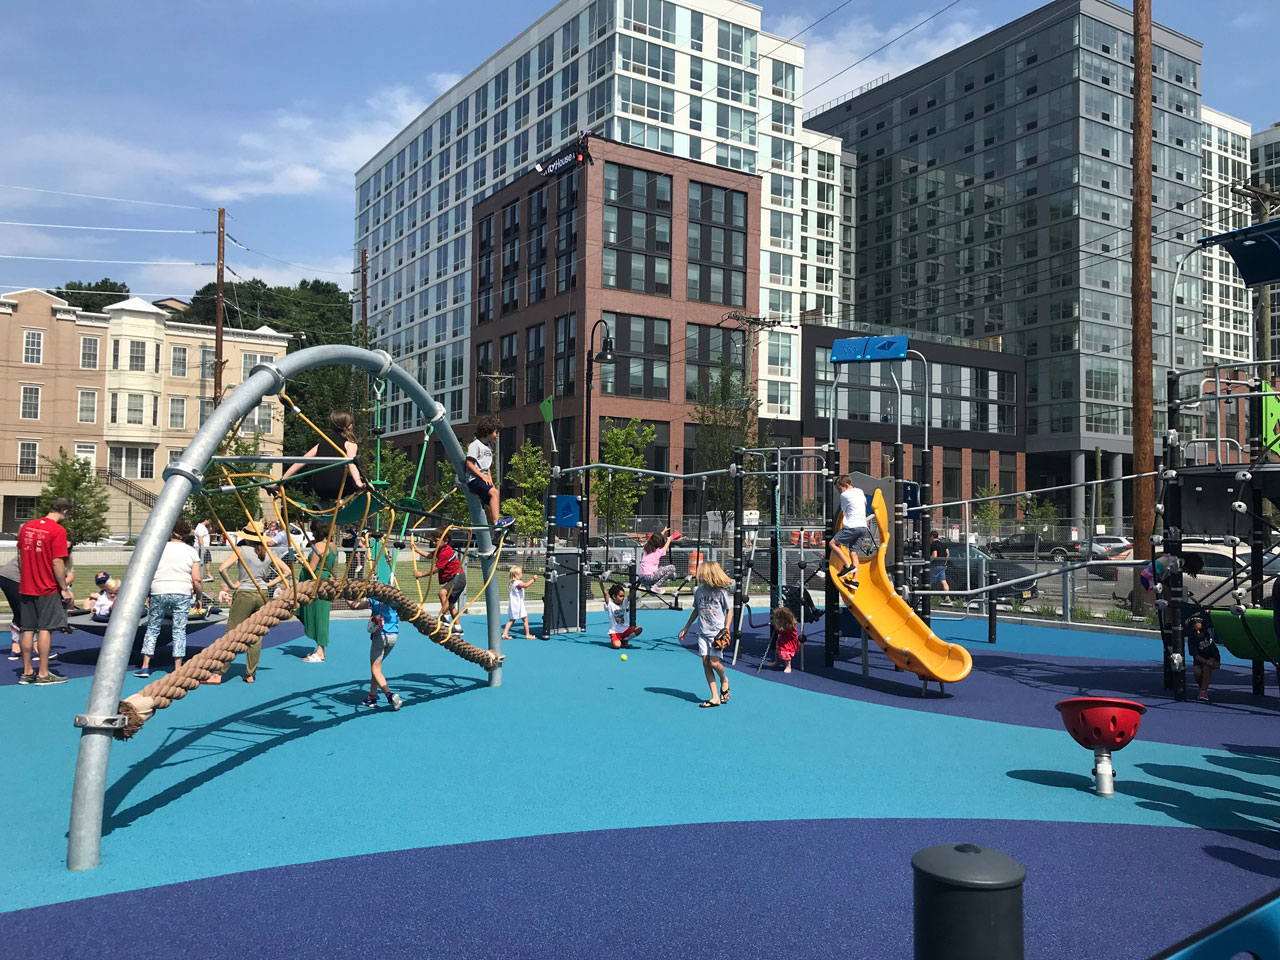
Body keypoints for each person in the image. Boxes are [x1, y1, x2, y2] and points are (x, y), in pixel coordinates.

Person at [206, 522, 286, 684]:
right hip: (261, 593)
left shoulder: (241, 550)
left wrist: (232, 585)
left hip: (245, 593)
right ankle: (250, 674)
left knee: (232, 633)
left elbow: (222, 569)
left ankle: (219, 673)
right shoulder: (268, 552)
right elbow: (287, 571)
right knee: (256, 634)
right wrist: (268, 584)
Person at [134, 520, 202, 679]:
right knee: (179, 630)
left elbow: (148, 573)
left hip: (159, 589)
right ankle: (177, 667)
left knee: (152, 628)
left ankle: (145, 666)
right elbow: (197, 579)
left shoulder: (157, 549)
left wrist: (148, 594)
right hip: (182, 591)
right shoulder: (191, 552)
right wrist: (198, 596)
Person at [16, 497, 74, 685]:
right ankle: (43, 673)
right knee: (45, 629)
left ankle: (26, 672)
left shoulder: (27, 527)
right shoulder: (57, 530)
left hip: (27, 586)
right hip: (46, 587)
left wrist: (26, 575)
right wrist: (63, 588)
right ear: (64, 512)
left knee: (26, 629)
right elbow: (57, 561)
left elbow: (19, 555)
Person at [277, 411, 366, 505]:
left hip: (318, 489)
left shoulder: (321, 444)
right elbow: (352, 463)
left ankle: (323, 502)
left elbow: (300, 462)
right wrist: (358, 482)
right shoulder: (350, 443)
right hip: (335, 489)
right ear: (350, 426)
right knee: (367, 479)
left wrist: (280, 482)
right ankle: (342, 501)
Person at [677, 561, 733, 708]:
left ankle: (724, 679)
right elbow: (696, 610)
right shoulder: (699, 592)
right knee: (705, 662)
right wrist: (686, 627)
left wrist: (726, 628)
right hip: (702, 632)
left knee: (714, 662)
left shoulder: (720, 592)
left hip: (717, 633)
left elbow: (729, 611)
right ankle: (715, 696)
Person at [355, 562, 403, 710]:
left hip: (380, 636)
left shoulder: (374, 600)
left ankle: (390, 695)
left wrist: (347, 597)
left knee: (375, 669)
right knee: (377, 667)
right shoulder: (396, 600)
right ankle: (372, 696)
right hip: (393, 636)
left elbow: (354, 606)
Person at [299, 518, 338, 662]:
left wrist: (303, 562)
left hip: (316, 584)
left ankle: (320, 651)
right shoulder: (333, 546)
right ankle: (320, 648)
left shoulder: (318, 547)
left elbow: (312, 568)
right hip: (326, 583)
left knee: (319, 616)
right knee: (321, 615)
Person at [465, 415, 514, 530]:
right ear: (487, 431)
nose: (497, 435)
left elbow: (487, 467)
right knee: (494, 493)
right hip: (474, 479)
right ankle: (497, 522)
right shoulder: (475, 445)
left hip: (484, 478)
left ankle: (494, 528)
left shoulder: (488, 447)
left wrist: (490, 480)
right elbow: (469, 464)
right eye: (496, 432)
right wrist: (483, 477)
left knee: (489, 504)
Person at [412, 535, 466, 635]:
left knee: (442, 592)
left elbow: (436, 569)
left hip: (458, 578)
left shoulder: (446, 553)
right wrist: (417, 550)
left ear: (446, 541)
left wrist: (421, 574)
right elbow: (430, 555)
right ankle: (458, 628)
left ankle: (445, 617)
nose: (434, 543)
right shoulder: (441, 549)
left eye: (436, 540)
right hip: (455, 578)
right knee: (450, 604)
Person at [830, 475, 869, 581]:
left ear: (846, 485)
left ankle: (848, 565)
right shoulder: (860, 491)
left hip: (851, 526)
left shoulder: (844, 495)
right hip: (863, 527)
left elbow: (843, 509)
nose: (839, 492)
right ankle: (855, 580)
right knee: (853, 552)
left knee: (832, 544)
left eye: (839, 489)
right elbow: (865, 503)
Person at [1186, 615, 1220, 703]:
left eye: (1201, 630)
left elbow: (1211, 619)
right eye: (1195, 630)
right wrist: (1206, 661)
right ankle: (1202, 687)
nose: (1198, 632)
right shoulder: (1192, 640)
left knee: (1206, 668)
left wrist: (1208, 612)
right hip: (1200, 659)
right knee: (1197, 672)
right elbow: (1195, 656)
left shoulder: (1209, 631)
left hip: (1213, 657)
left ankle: (1203, 692)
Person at [637, 527, 681, 592]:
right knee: (672, 567)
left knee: (660, 570)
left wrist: (663, 532)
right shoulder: (658, 551)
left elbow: (655, 539)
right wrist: (669, 539)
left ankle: (650, 587)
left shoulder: (646, 549)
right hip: (651, 577)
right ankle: (656, 586)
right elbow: (665, 548)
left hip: (642, 578)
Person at [502, 565, 537, 640]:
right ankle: (527, 635)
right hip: (517, 606)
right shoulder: (516, 583)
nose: (522, 574)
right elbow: (526, 585)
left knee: (517, 619)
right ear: (517, 575)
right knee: (517, 619)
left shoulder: (514, 583)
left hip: (517, 605)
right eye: (521, 573)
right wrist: (533, 579)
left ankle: (506, 634)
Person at [605, 581, 643, 649]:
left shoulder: (624, 602)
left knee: (639, 629)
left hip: (625, 629)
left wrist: (639, 583)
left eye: (623, 596)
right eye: (620, 596)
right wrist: (600, 581)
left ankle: (625, 639)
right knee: (617, 646)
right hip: (615, 632)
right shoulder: (610, 604)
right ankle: (619, 640)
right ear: (614, 596)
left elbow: (632, 593)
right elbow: (605, 594)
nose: (623, 598)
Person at [765, 606, 799, 673]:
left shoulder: (790, 627)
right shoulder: (782, 625)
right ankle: (777, 662)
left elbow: (785, 632)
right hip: (782, 639)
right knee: (778, 651)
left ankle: (788, 666)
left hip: (789, 641)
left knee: (786, 653)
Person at [2, 553, 21, 660]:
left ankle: (16, 646)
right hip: (12, 578)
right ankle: (36, 647)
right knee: (25, 613)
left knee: (21, 613)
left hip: (13, 578)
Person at [929, 532, 951, 600]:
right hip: (942, 565)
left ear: (932, 536)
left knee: (929, 581)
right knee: (943, 581)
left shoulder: (933, 545)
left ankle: (927, 596)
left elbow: (934, 555)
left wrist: (929, 561)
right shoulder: (943, 544)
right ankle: (947, 597)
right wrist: (945, 561)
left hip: (935, 565)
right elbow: (947, 553)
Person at [194, 517, 213, 582]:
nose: (209, 522)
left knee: (208, 560)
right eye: (209, 521)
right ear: (206, 520)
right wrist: (202, 548)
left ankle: (207, 574)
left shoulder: (203, 527)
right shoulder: (200, 527)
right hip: (202, 548)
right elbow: (200, 538)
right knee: (206, 561)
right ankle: (207, 574)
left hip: (204, 547)